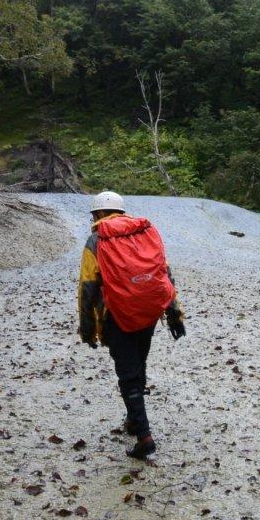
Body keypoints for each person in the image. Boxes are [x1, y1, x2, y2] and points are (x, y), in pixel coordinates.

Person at [78, 191, 186, 459]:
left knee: (127, 374)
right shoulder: (145, 234)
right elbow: (163, 275)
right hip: (148, 313)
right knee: (139, 364)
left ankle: (144, 436)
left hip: (117, 316)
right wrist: (174, 313)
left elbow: (88, 288)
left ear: (100, 214)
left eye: (94, 214)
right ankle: (132, 418)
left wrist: (87, 329)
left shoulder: (96, 240)